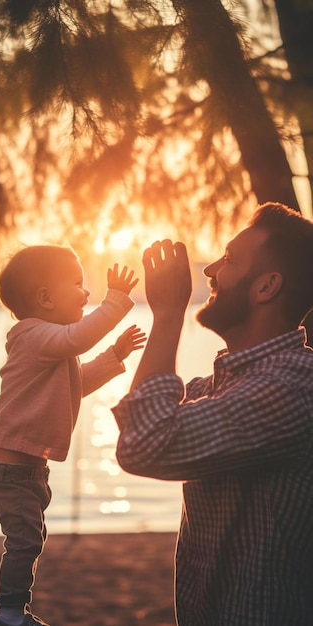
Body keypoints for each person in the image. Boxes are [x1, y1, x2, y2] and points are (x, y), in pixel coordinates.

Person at [112, 202, 313, 626]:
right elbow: (155, 419)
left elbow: (144, 445)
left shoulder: (292, 388)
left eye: (230, 258)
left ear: (266, 287)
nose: (211, 270)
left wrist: (167, 315)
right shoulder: (220, 386)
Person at [0, 244, 146, 626]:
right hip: (9, 473)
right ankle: (8, 616)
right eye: (77, 283)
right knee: (24, 542)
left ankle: (14, 611)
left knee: (29, 540)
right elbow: (79, 338)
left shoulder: (51, 346)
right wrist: (115, 301)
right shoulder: (33, 336)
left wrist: (114, 357)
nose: (85, 293)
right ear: (45, 298)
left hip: (26, 473)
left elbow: (76, 384)